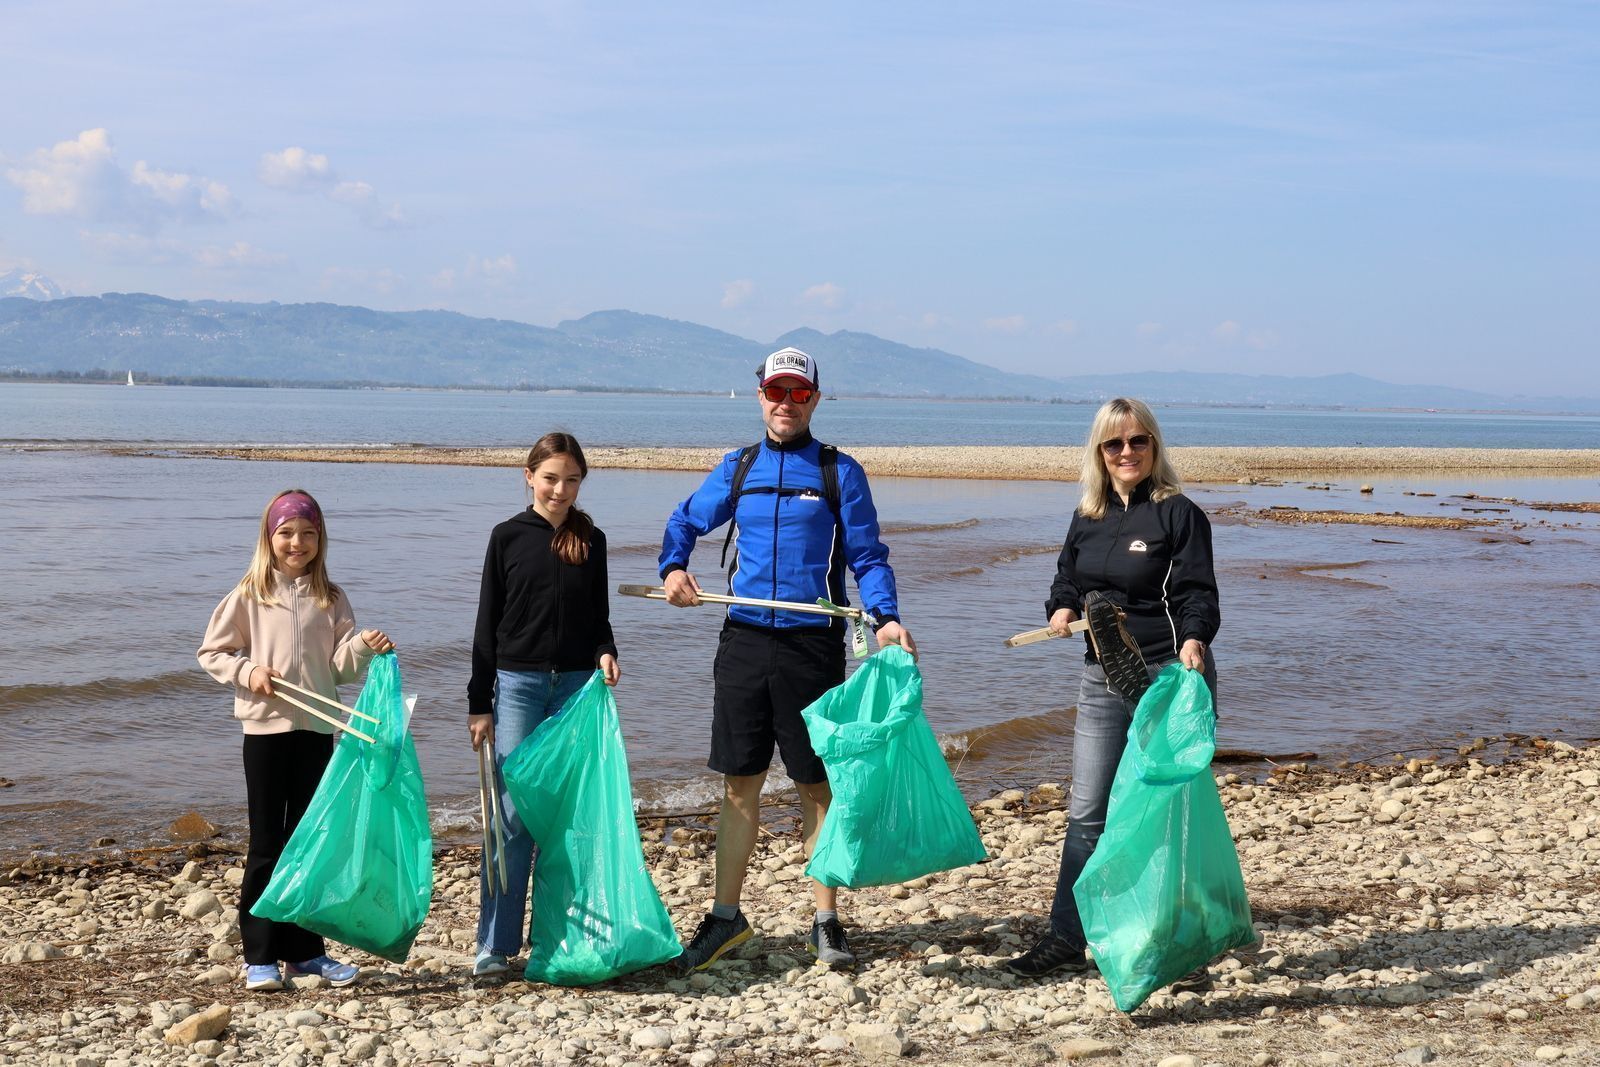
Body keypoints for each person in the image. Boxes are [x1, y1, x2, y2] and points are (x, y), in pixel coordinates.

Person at [659, 346, 916, 974]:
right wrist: (673, 569)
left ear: (815, 400)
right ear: (760, 396)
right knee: (739, 782)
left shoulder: (838, 472)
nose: (785, 402)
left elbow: (868, 557)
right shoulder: (738, 467)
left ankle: (826, 921)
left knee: (814, 785)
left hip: (811, 644)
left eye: (798, 393)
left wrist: (885, 618)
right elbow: (684, 521)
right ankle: (725, 919)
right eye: (776, 391)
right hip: (744, 640)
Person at [1005, 397, 1220, 990]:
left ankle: (1180, 946)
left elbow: (1198, 591)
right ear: (1098, 452)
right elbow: (1066, 577)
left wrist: (1195, 640)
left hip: (1166, 679)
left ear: (1154, 445)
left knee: (1165, 817)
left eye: (1137, 442)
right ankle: (1067, 938)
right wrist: (1063, 607)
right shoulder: (1088, 514)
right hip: (1102, 676)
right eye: (1113, 444)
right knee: (1087, 813)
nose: (1126, 453)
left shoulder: (1179, 514)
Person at [198, 488, 395, 992]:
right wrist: (247, 671)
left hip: (316, 731)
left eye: (308, 533)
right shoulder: (249, 593)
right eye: (286, 532)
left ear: (320, 539)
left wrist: (363, 648)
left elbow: (337, 671)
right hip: (264, 732)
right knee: (267, 843)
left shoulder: (331, 597)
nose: (297, 542)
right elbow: (213, 653)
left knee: (309, 844)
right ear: (269, 536)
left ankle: (305, 953)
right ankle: (259, 956)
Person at [467, 432, 620, 977]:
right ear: (528, 476)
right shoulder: (507, 536)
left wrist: (606, 653)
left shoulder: (592, 539)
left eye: (571, 480)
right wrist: (479, 702)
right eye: (551, 478)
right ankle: (495, 944)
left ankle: (563, 938)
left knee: (569, 820)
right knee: (511, 818)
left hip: (578, 689)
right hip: (519, 688)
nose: (560, 489)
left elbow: (599, 618)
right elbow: (488, 624)